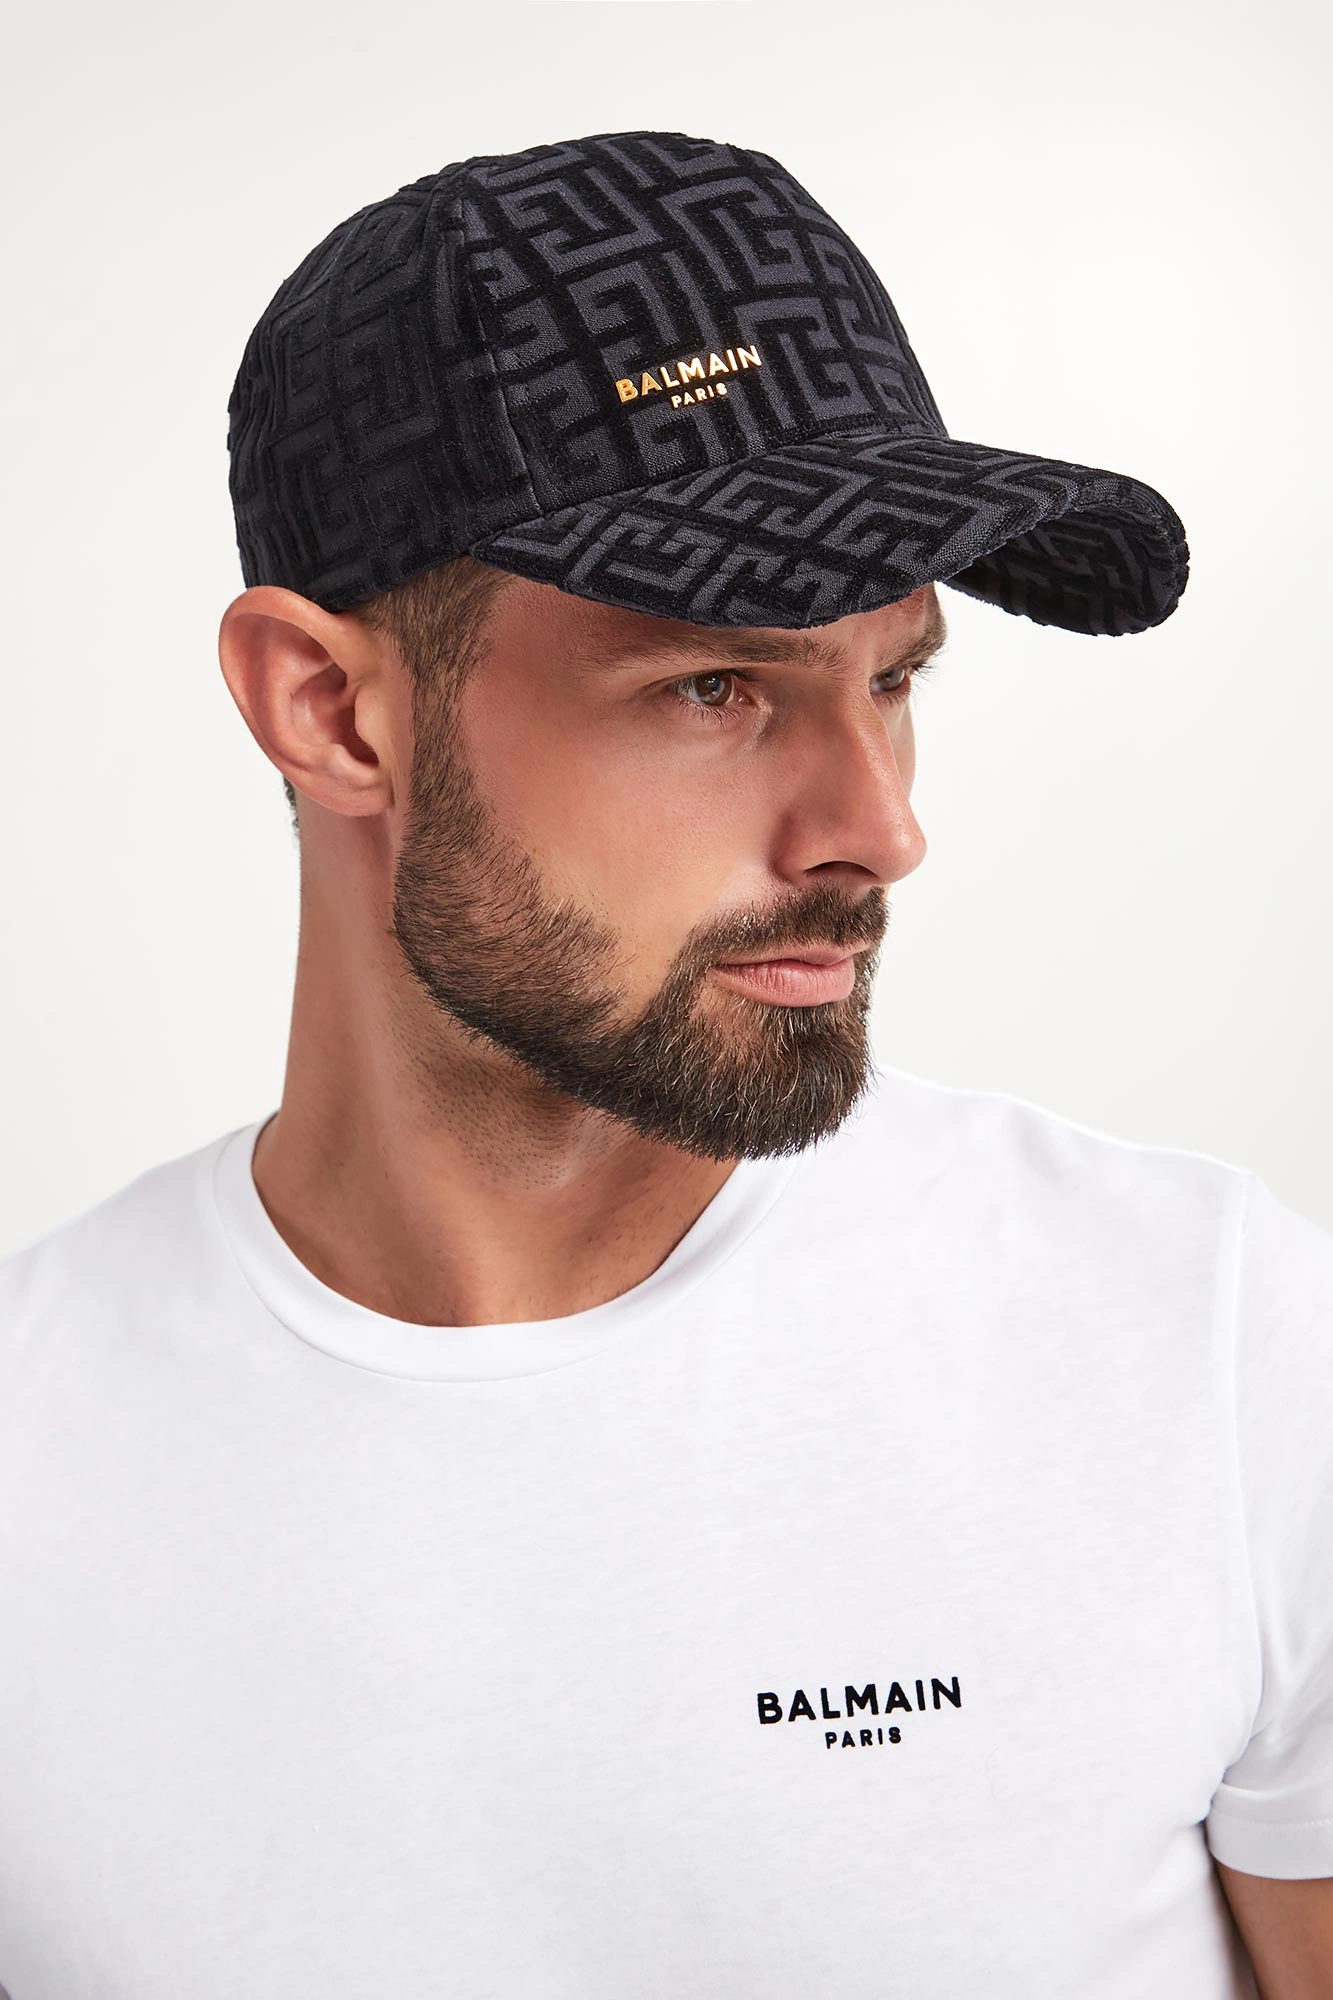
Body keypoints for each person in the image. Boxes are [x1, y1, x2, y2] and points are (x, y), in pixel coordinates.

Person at [1, 128, 1329, 2000]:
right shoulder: (34, 1462)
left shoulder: (1209, 1347)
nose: (877, 829)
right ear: (330, 710)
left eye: (894, 679)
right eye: (714, 688)